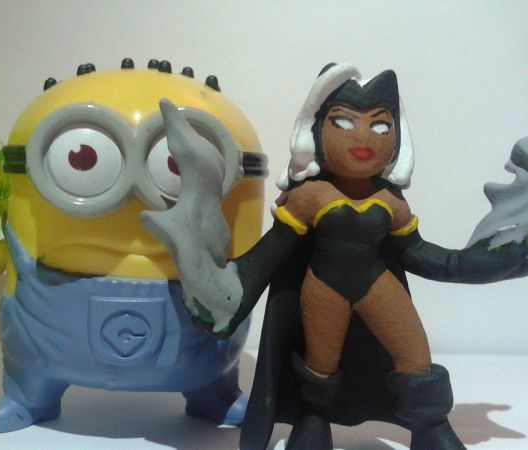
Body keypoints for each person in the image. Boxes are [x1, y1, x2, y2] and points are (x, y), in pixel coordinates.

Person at [142, 64, 527, 450]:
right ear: (315, 130)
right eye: (343, 122)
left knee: (414, 356)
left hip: (378, 287)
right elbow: (272, 251)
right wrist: (227, 287)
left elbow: (420, 254)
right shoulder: (309, 196)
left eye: (381, 125)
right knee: (320, 364)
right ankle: (313, 421)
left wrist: (484, 262)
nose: (364, 137)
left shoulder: (390, 201)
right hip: (324, 290)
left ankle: (429, 426)